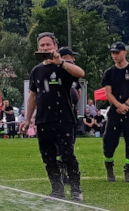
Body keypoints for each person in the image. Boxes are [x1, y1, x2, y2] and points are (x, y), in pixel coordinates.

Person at [21, 32, 85, 200]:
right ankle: (57, 190)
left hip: (64, 119)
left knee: (67, 155)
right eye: (42, 45)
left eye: (48, 44)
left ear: (55, 47)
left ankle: (76, 190)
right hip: (43, 120)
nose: (45, 47)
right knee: (48, 158)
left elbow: (81, 73)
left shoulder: (63, 66)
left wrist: (61, 62)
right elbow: (32, 96)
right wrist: (28, 119)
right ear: (38, 48)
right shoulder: (36, 70)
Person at [100, 40, 129, 183]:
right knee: (109, 141)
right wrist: (119, 105)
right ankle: (109, 169)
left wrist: (126, 105)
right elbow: (108, 93)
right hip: (114, 111)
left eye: (117, 52)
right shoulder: (109, 73)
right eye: (113, 53)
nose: (114, 55)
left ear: (124, 52)